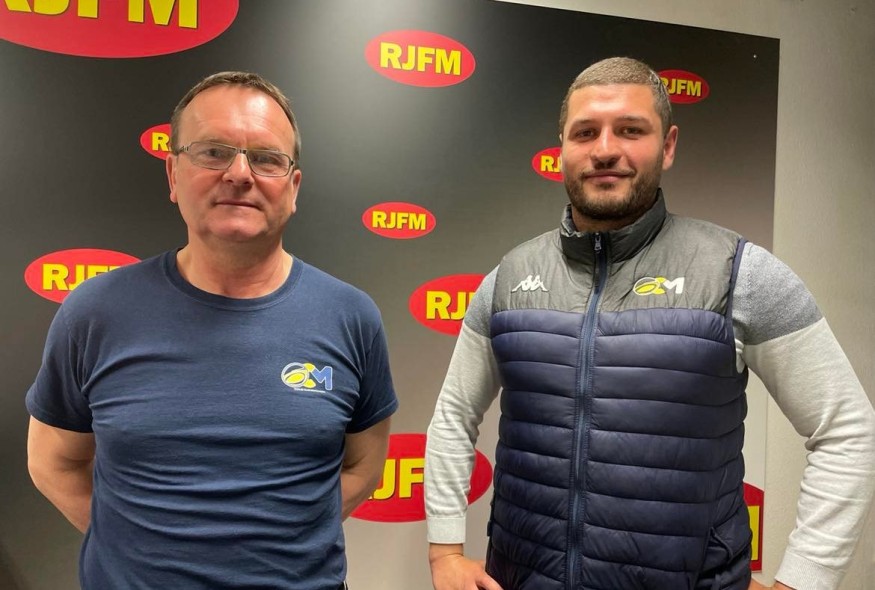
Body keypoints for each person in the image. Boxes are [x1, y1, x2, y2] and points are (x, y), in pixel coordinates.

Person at [424, 57, 875, 590]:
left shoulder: (739, 273)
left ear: (668, 145)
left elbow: (846, 429)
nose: (605, 149)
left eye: (630, 130)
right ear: (562, 147)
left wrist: (803, 581)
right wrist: (444, 551)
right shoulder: (510, 277)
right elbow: (453, 415)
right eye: (585, 132)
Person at [25, 71, 398, 590]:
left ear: (293, 188)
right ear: (173, 174)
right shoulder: (94, 313)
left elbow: (363, 467)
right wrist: (135, 551)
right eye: (214, 152)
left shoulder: (351, 317)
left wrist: (286, 544)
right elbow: (54, 463)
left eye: (266, 158)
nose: (239, 174)